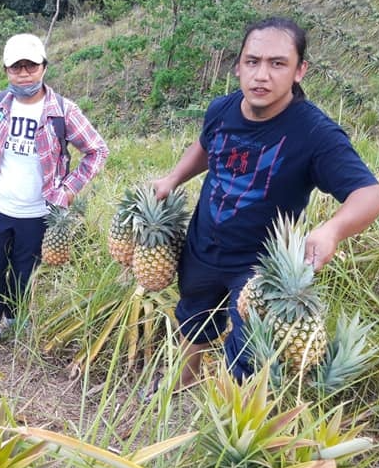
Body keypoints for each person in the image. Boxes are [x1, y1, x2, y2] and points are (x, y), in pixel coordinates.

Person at [151, 17, 379, 388]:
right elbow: (207, 147)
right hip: (204, 244)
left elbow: (369, 192)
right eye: (252, 61)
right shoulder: (221, 110)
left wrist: (333, 230)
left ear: (299, 71)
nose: (261, 75)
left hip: (260, 267)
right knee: (193, 319)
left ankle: (227, 412)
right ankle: (181, 384)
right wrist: (174, 178)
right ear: (238, 65)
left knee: (248, 349)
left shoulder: (314, 133)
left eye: (277, 64)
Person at [0, 33, 109, 350]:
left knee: (23, 274)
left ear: (44, 67)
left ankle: (14, 319)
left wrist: (69, 189)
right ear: (6, 70)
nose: (23, 73)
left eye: (30, 66)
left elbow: (97, 151)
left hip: (37, 213)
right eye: (16, 67)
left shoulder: (63, 111)